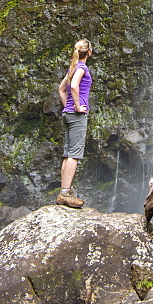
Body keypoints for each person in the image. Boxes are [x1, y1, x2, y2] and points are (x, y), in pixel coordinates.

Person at [57, 38, 93, 208]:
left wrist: (68, 107)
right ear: (89, 52)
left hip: (67, 114)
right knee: (74, 154)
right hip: (76, 116)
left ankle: (65, 191)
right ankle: (65, 192)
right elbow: (73, 87)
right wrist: (77, 107)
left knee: (68, 153)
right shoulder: (81, 68)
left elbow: (60, 89)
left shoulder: (72, 68)